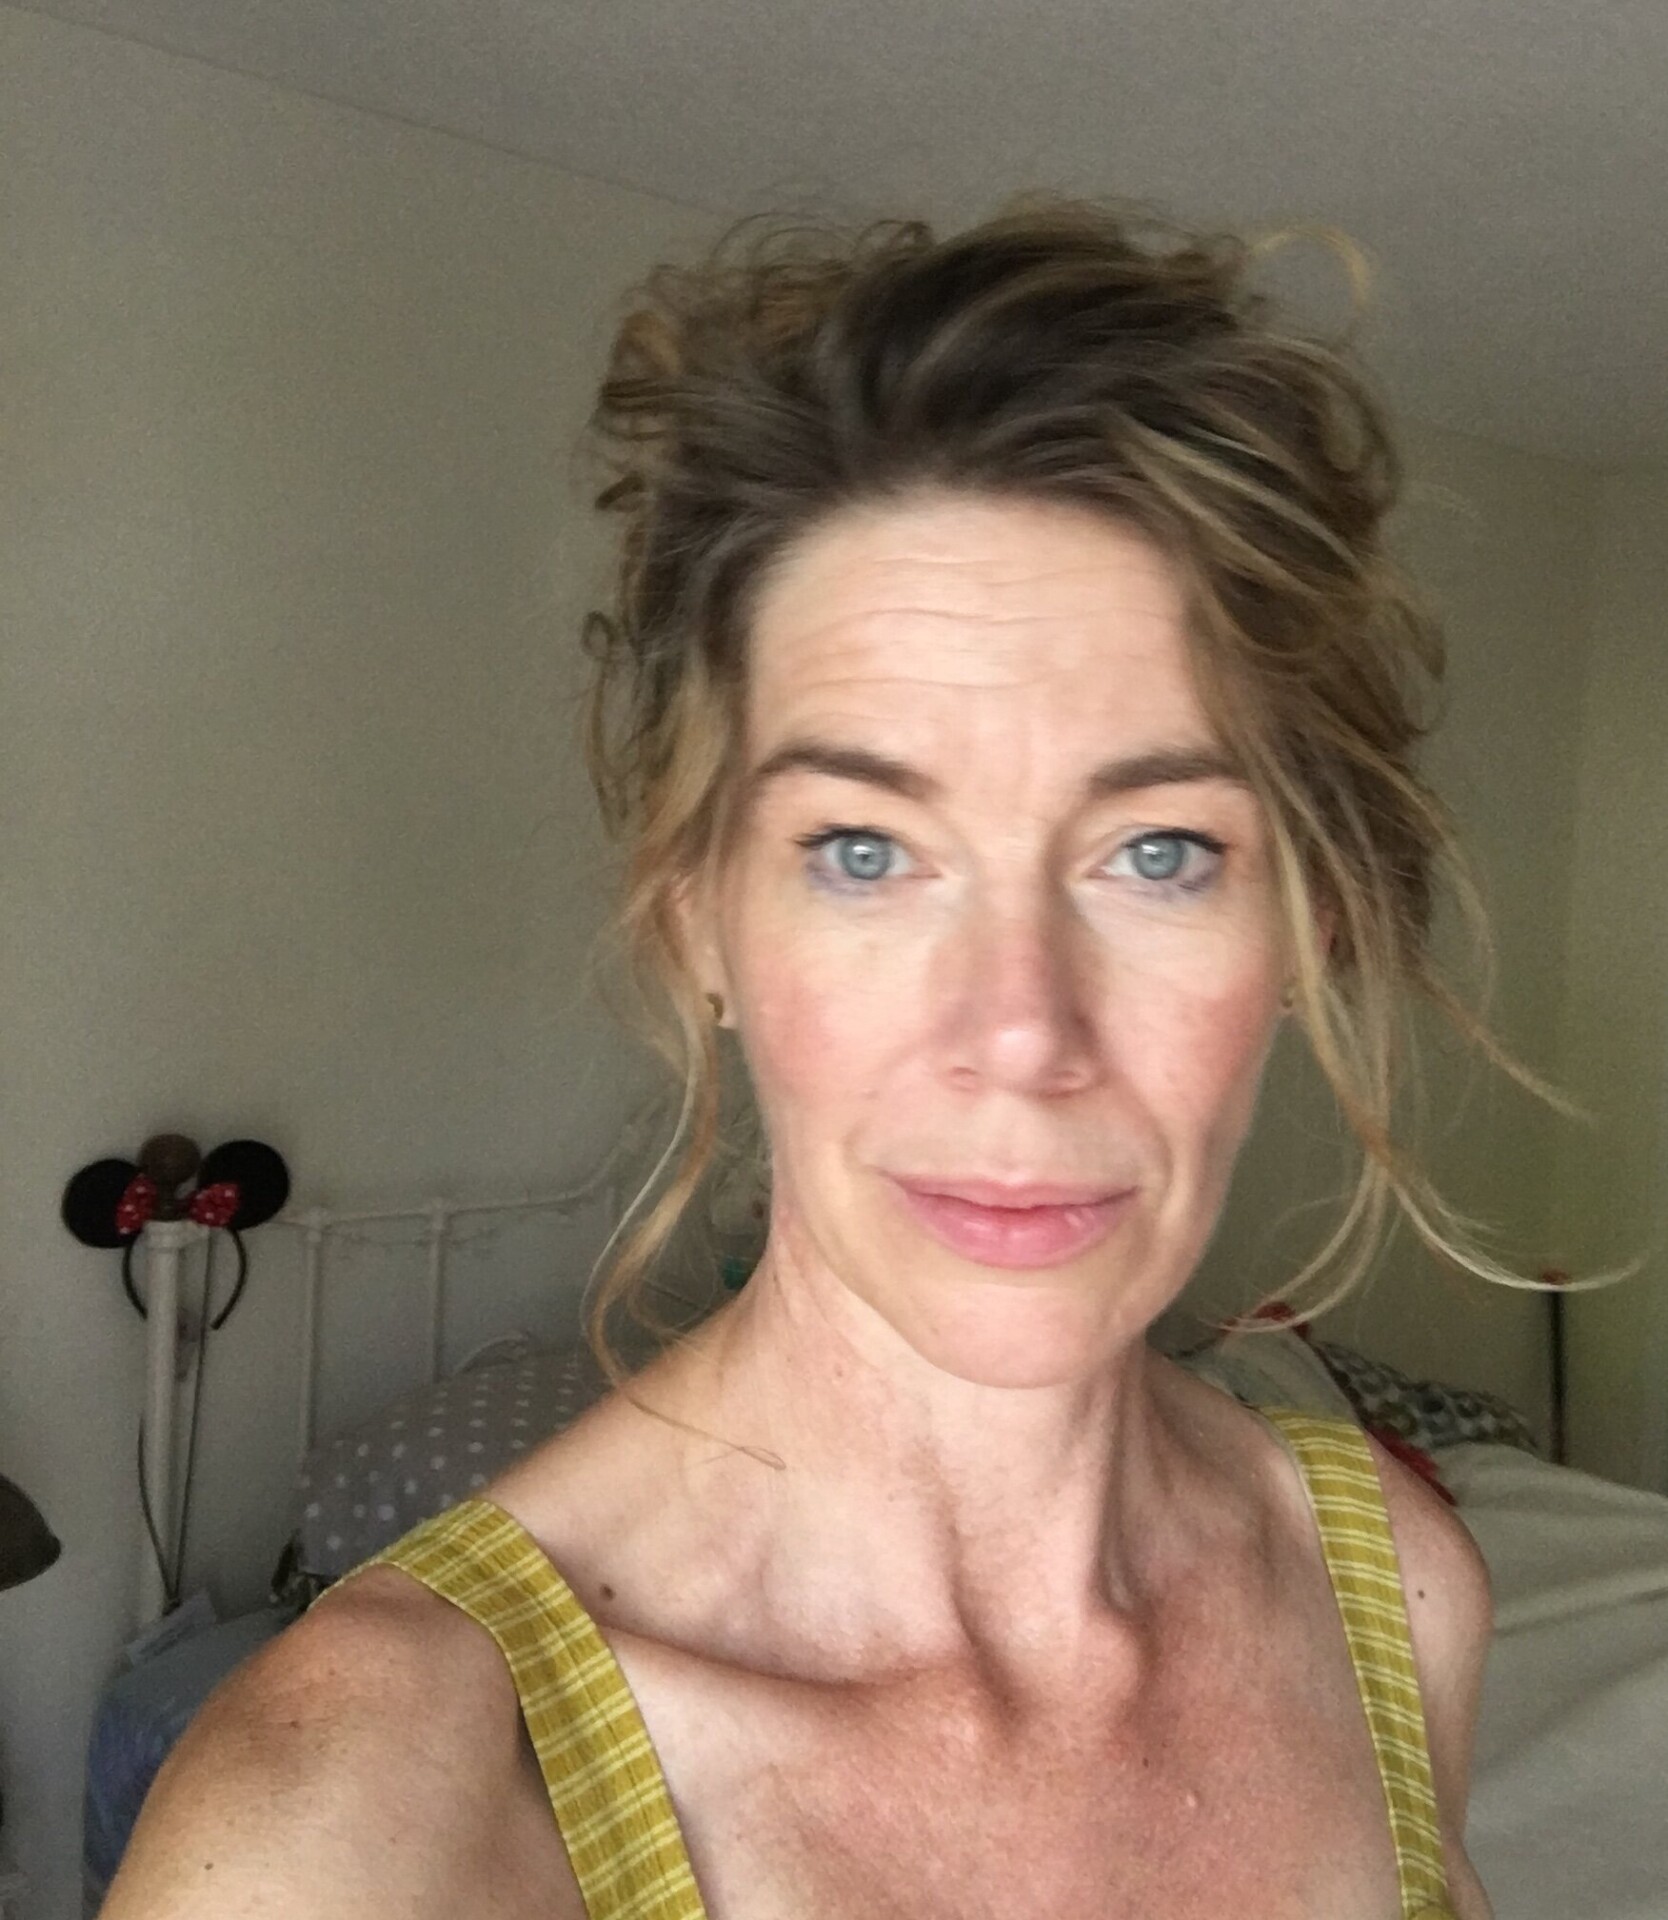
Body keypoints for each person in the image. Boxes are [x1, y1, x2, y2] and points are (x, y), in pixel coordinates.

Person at [106, 199, 1509, 1918]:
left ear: (1307, 924)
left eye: (1158, 852)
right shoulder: (367, 1812)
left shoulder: (1393, 1591)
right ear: (699, 920)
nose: (1020, 1034)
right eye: (864, 849)